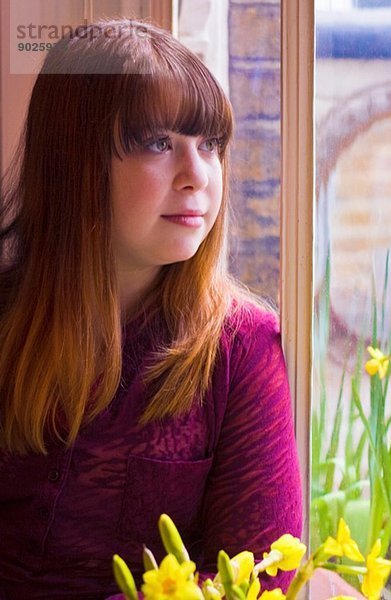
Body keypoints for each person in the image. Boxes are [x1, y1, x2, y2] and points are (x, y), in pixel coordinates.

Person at [0, 18, 302, 600]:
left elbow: (264, 571)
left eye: (209, 145)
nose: (198, 176)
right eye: (159, 143)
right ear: (77, 162)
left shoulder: (242, 348)